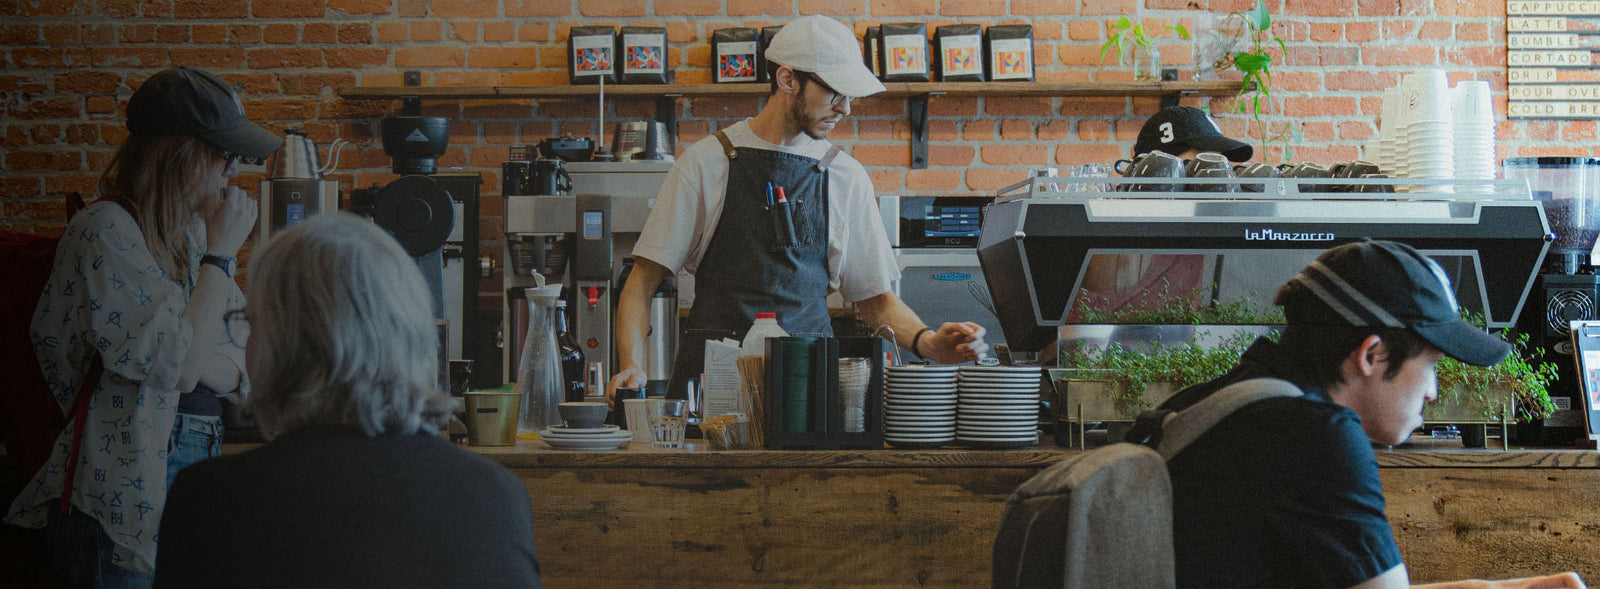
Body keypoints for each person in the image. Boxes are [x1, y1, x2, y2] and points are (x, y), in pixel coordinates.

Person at [1149, 240, 1584, 589]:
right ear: (1372, 355)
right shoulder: (1318, 436)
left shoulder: (1208, 405)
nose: (1433, 392)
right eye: (1430, 365)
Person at [152, 213, 543, 588]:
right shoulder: (497, 496)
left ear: (285, 346)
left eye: (252, 323)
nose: (246, 345)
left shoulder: (213, 503)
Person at [609, 15, 988, 401]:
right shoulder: (707, 161)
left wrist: (928, 343)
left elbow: (876, 301)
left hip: (807, 389)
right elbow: (643, 280)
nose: (846, 109)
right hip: (712, 389)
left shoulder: (844, 175)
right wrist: (631, 366)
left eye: (850, 97)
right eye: (835, 93)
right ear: (788, 79)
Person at [4, 65, 274, 586]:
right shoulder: (104, 231)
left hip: (191, 464)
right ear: (179, 153)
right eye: (225, 156)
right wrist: (222, 255)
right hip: (120, 493)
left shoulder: (189, 235)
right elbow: (180, 368)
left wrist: (207, 365)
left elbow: (247, 345)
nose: (233, 173)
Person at [1072, 106, 1256, 322]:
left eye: (1219, 166)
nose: (1214, 178)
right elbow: (1099, 301)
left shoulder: (1205, 229)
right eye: (1199, 165)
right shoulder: (1116, 230)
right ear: (1159, 170)